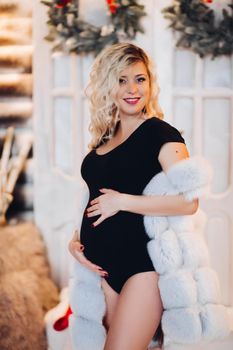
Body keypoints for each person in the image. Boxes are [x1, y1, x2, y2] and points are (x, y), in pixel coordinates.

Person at [68, 43, 198, 350]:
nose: (132, 89)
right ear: (108, 85)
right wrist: (76, 240)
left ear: (150, 84)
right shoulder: (105, 137)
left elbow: (189, 202)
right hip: (103, 270)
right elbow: (93, 197)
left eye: (140, 79)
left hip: (141, 268)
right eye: (122, 79)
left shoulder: (162, 134)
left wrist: (123, 201)